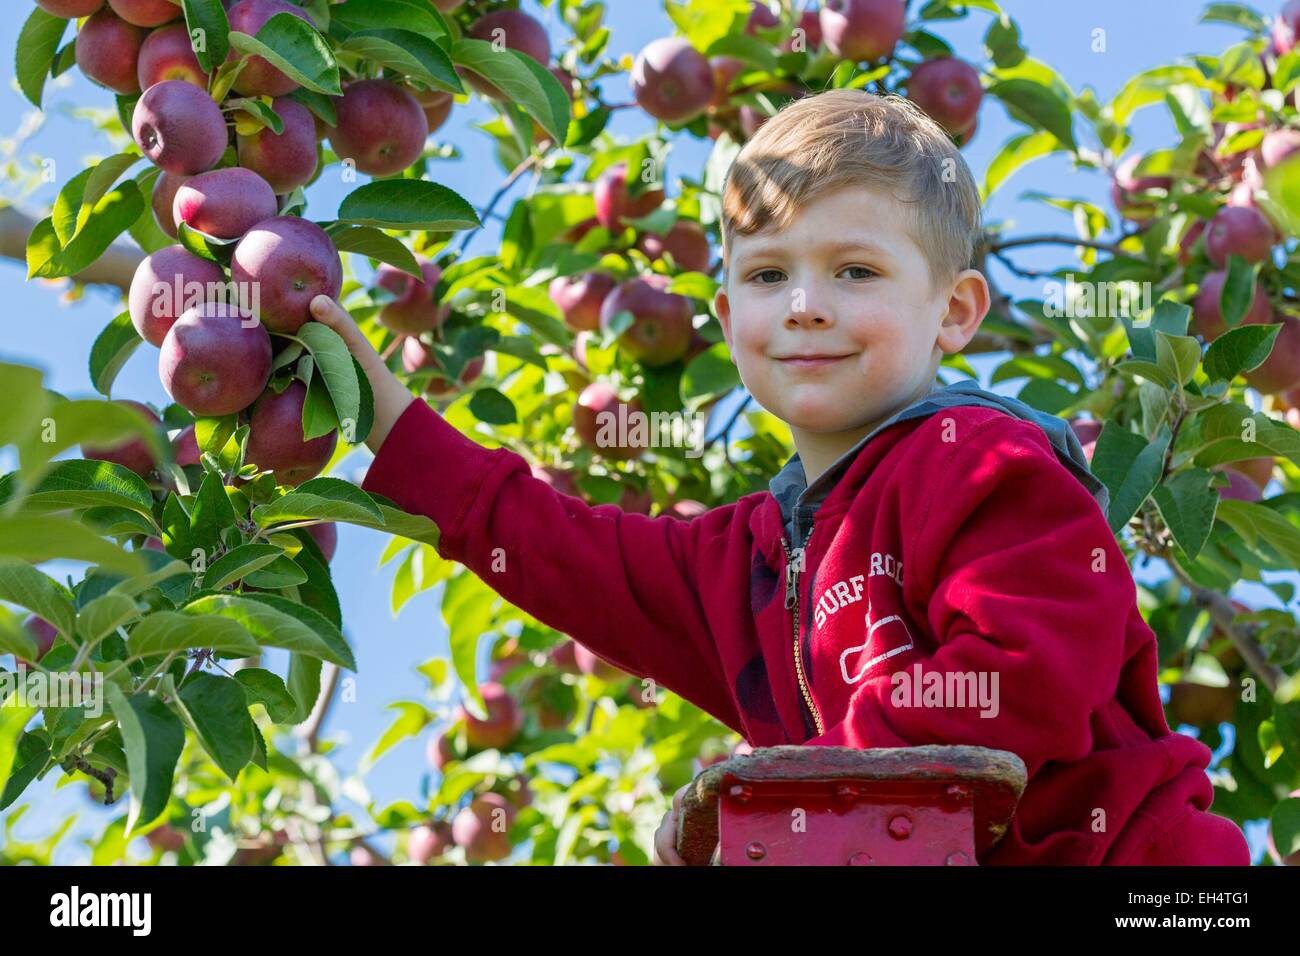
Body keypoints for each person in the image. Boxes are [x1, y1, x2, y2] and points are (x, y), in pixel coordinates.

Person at [308, 88, 1250, 866]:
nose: (804, 308)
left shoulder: (986, 466)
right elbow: (563, 551)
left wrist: (785, 793)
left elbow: (1015, 684)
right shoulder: (749, 553)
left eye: (854, 271)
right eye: (767, 276)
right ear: (723, 316)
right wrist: (382, 417)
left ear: (954, 312)